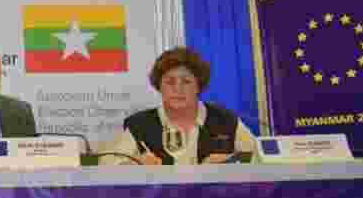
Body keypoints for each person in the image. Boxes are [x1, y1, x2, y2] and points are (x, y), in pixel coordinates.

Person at [105, 46, 256, 165]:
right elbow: (107, 165)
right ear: (159, 86)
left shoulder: (225, 120)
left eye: (186, 82)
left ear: (198, 86)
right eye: (170, 82)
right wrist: (136, 165)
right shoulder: (139, 124)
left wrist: (231, 160)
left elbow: (260, 158)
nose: (178, 89)